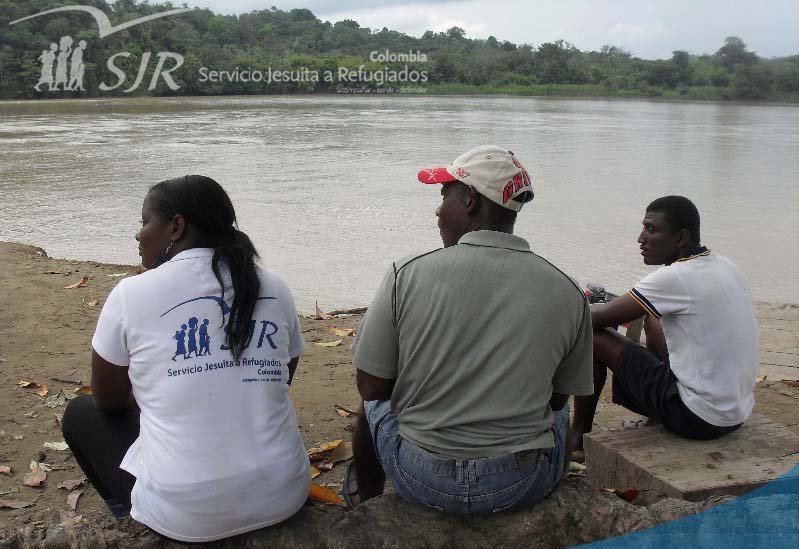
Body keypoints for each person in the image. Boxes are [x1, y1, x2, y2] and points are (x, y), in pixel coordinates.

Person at [344, 145, 593, 515]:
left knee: (370, 409)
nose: (437, 210)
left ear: (471, 200)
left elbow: (372, 387)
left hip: (421, 477)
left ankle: (367, 508)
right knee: (557, 416)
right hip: (520, 482)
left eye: (444, 196)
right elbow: (557, 401)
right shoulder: (568, 289)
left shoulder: (406, 273)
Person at [62, 175, 309, 543]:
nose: (138, 235)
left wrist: (164, 388)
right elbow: (279, 379)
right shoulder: (274, 285)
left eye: (145, 222)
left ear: (176, 226)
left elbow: (107, 401)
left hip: (188, 515)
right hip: (285, 492)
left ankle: (131, 514)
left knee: (80, 413)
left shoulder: (132, 293)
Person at [569, 196, 758, 461]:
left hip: (698, 418)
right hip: (735, 412)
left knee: (592, 336)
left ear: (681, 238)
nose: (640, 238)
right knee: (652, 318)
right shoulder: (724, 265)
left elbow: (591, 320)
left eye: (651, 229)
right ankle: (652, 415)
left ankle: (577, 440)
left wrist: (565, 305)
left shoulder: (675, 277)